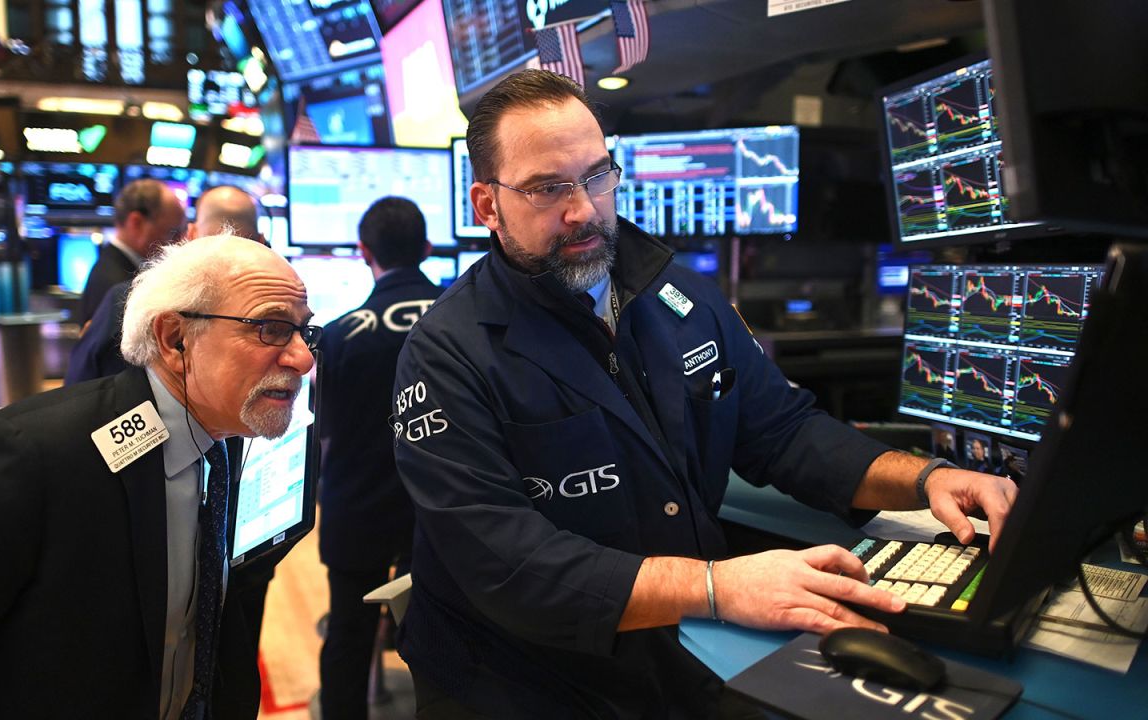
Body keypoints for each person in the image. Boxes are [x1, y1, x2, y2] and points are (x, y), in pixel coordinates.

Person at [388, 70, 1019, 718]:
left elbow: (783, 430)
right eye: (549, 188)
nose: (583, 209)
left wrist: (927, 478)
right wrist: (718, 585)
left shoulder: (678, 296)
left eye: (598, 176)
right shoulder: (445, 355)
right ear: (487, 205)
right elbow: (509, 564)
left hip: (673, 649)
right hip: (517, 683)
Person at [0, 235, 318, 719]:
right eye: (271, 329)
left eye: (303, 332)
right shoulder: (18, 460)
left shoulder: (224, 438)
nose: (303, 357)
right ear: (174, 338)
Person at [317, 197, 443, 720]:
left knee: (348, 633)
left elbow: (325, 433)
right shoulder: (463, 318)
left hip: (358, 505)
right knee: (445, 636)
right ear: (428, 249)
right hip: (441, 509)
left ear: (362, 251)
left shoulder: (340, 334)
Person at [66, 185, 266, 385]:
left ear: (191, 234)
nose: (175, 241)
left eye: (179, 233)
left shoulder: (139, 298)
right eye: (172, 232)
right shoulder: (280, 308)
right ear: (261, 240)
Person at [79, 178, 186, 325]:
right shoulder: (115, 284)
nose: (178, 243)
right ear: (137, 223)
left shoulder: (118, 268)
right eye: (172, 233)